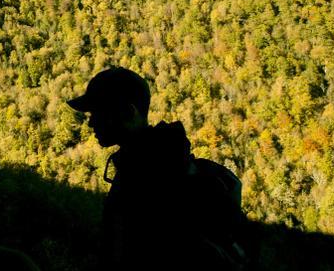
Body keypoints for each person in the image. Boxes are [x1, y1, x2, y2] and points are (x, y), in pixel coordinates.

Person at [68, 66, 246, 270]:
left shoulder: (143, 180)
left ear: (128, 112)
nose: (91, 123)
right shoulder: (161, 164)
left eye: (98, 112)